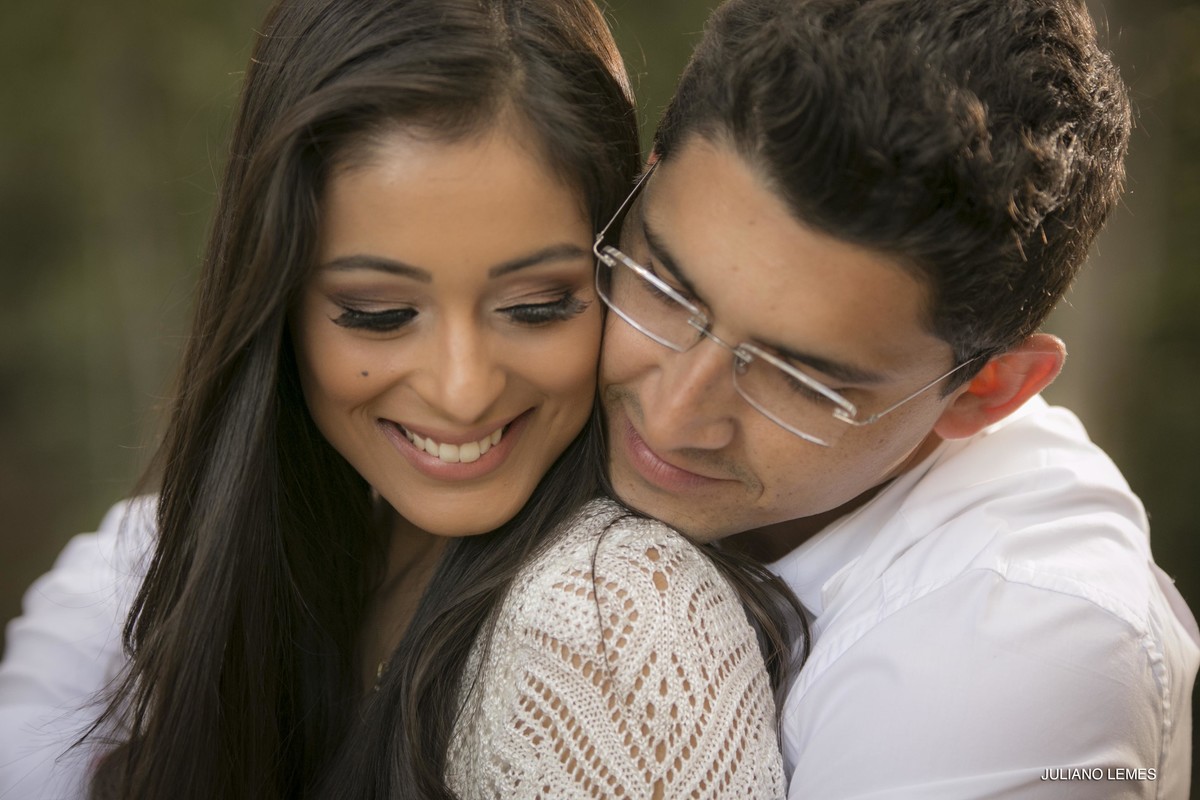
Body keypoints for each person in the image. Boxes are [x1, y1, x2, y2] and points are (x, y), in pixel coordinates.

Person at [0, 0, 803, 798]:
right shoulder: (304, 555)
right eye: (378, 315)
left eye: (537, 305)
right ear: (273, 302)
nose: (463, 391)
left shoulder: (609, 626)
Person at [593, 0, 1199, 796]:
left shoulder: (1019, 655)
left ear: (986, 393)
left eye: (801, 381)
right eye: (664, 288)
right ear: (645, 178)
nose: (672, 415)